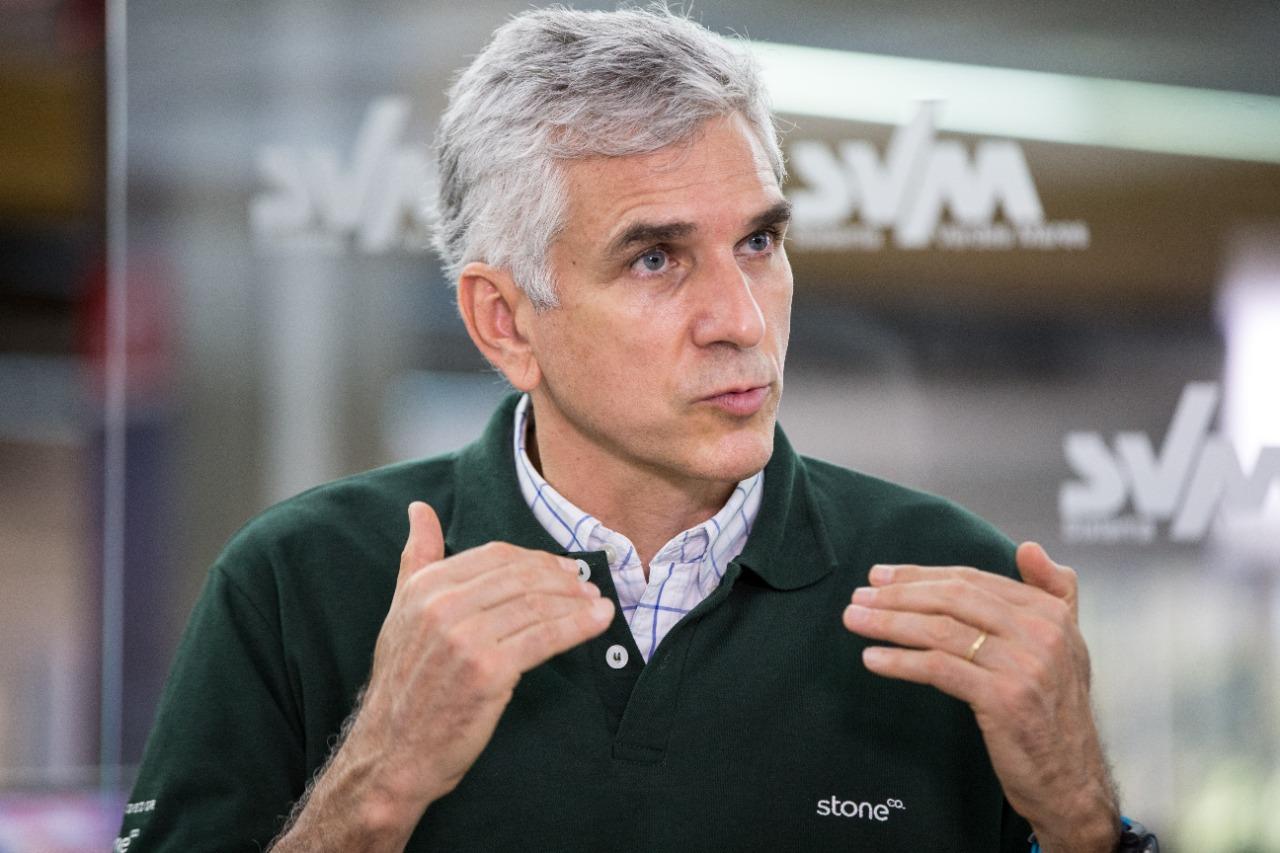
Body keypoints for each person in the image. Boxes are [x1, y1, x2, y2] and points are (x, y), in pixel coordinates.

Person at [118, 6, 1155, 852]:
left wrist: (1080, 822)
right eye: (655, 259)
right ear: (504, 320)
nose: (741, 320)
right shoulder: (296, 584)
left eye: (758, 243)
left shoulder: (956, 592)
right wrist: (376, 787)